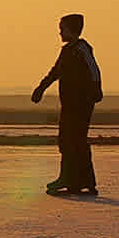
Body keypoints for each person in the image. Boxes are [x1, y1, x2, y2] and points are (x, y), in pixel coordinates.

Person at [33, 13, 103, 194]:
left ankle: (81, 180)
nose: (60, 33)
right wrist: (41, 88)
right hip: (69, 103)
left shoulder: (82, 48)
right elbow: (55, 71)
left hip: (82, 103)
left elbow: (94, 70)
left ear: (71, 29)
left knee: (76, 140)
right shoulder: (66, 51)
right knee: (66, 140)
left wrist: (96, 90)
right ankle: (72, 179)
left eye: (62, 29)